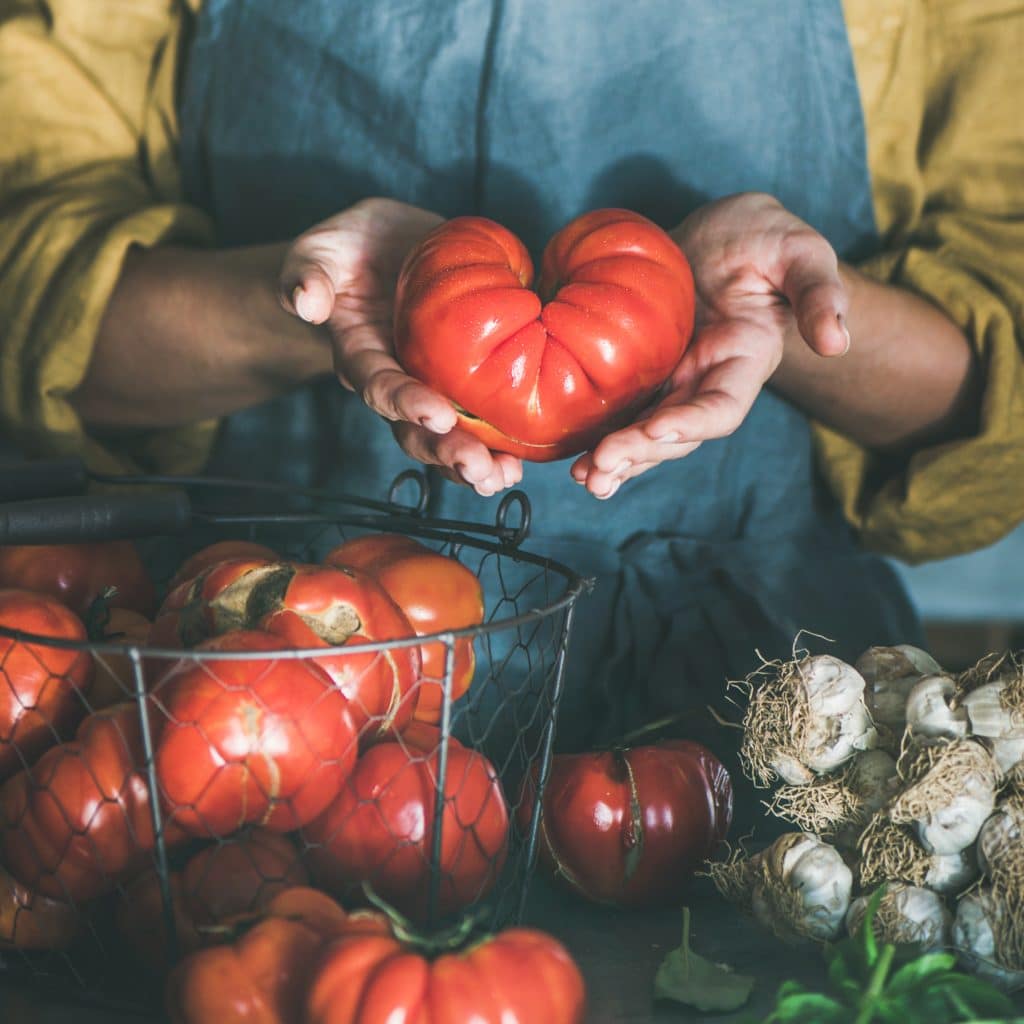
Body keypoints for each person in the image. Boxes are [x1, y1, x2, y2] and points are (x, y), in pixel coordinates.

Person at [1, 0, 1022, 751]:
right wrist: (312, 310)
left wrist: (791, 321)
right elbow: (25, 318)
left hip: (772, 714)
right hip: (265, 699)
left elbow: (998, 410)